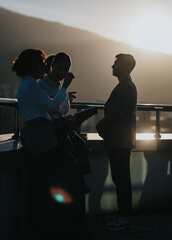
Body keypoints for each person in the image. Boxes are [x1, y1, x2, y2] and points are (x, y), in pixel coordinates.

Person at [12, 48, 84, 239]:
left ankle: (41, 227)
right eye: (41, 65)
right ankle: (41, 228)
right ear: (33, 66)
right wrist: (65, 88)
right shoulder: (32, 86)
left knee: (44, 181)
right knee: (45, 181)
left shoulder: (28, 85)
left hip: (40, 134)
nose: (44, 69)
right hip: (39, 135)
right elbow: (52, 107)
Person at [96, 53, 137, 231]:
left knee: (121, 179)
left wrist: (100, 125)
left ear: (125, 66)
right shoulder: (124, 86)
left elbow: (116, 113)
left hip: (120, 140)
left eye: (116, 63)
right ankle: (122, 214)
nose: (112, 66)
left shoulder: (125, 87)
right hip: (119, 139)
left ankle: (124, 216)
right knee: (120, 178)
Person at [39, 52, 91, 192]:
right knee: (67, 160)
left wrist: (67, 109)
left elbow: (61, 109)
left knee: (79, 144)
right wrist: (65, 88)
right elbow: (49, 111)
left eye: (65, 70)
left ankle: (79, 183)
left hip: (61, 131)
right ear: (52, 66)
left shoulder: (59, 88)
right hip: (50, 134)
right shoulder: (43, 86)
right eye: (58, 68)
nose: (61, 73)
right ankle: (77, 185)